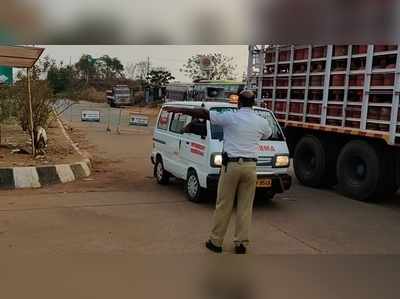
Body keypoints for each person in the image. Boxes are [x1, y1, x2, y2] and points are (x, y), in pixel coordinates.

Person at [182, 90, 272, 254]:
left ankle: (216, 242)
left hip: (231, 166)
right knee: (245, 207)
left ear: (238, 103)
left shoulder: (231, 117)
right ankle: (241, 243)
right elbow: (267, 135)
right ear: (254, 103)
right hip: (251, 167)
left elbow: (205, 114)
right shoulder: (261, 121)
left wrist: (181, 110)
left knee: (224, 204)